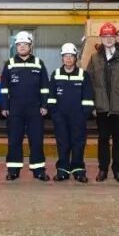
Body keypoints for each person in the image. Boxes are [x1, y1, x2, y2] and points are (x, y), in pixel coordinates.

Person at [86, 22, 119, 183]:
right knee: (102, 139)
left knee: (118, 140)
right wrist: (92, 105)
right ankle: (103, 169)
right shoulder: (95, 59)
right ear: (101, 38)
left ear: (116, 38)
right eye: (105, 36)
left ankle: (117, 170)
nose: (108, 39)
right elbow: (89, 83)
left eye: (111, 36)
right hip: (101, 107)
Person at [0, 31, 50, 182]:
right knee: (14, 140)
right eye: (19, 44)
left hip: (35, 109)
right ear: (16, 47)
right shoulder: (9, 64)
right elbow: (4, 88)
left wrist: (44, 105)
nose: (22, 47)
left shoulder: (39, 63)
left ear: (30, 46)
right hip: (15, 108)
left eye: (25, 44)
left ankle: (38, 170)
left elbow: (45, 87)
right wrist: (4, 106)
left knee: (36, 140)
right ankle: (13, 170)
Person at [47, 42, 94, 183]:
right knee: (63, 143)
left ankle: (78, 170)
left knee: (78, 143)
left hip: (78, 117)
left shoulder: (83, 75)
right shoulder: (56, 74)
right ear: (62, 58)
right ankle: (63, 171)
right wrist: (55, 115)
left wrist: (83, 115)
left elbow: (88, 97)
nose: (68, 59)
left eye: (71, 56)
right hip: (60, 118)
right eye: (65, 56)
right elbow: (51, 97)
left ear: (75, 58)